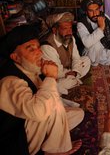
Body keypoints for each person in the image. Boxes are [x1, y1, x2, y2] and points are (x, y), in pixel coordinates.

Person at [0, 25, 84, 155]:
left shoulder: (29, 68)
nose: (39, 53)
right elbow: (39, 111)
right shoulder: (10, 81)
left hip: (34, 120)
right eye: (31, 49)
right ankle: (54, 150)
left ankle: (52, 138)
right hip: (17, 141)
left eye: (38, 47)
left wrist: (49, 78)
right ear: (15, 57)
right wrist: (50, 77)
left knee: (78, 114)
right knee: (54, 106)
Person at [41, 12, 91, 95]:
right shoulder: (48, 47)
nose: (69, 32)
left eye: (70, 28)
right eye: (65, 29)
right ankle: (73, 80)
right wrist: (72, 73)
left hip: (68, 70)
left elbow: (76, 57)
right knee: (57, 84)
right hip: (57, 75)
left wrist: (75, 71)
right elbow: (57, 72)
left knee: (87, 60)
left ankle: (72, 80)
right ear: (55, 30)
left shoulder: (70, 38)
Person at [77, 0, 110, 66]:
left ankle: (105, 61)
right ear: (86, 11)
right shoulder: (81, 24)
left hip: (106, 47)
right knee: (97, 45)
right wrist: (101, 27)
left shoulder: (105, 17)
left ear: (99, 9)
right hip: (92, 52)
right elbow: (87, 43)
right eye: (91, 11)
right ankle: (98, 62)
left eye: (96, 9)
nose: (95, 14)